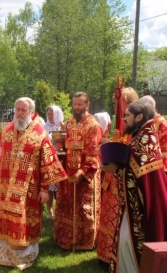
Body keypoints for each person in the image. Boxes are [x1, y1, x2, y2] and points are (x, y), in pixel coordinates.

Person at [103, 101, 167, 273]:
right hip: (133, 206)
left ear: (139, 117)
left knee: (128, 242)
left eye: (127, 115)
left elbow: (141, 177)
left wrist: (115, 168)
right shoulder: (141, 136)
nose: (124, 119)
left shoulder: (144, 139)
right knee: (124, 242)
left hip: (141, 210)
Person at [0, 97, 67, 270]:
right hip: (4, 188)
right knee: (2, 219)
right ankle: (1, 254)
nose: (20, 113)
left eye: (24, 110)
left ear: (31, 112)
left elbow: (48, 164)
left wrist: (45, 189)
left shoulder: (40, 134)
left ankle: (23, 256)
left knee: (25, 222)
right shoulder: (7, 131)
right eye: (17, 109)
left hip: (28, 190)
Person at [54, 92, 102, 251]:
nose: (76, 107)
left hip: (84, 175)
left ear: (87, 104)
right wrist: (59, 153)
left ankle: (85, 240)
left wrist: (81, 172)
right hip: (67, 173)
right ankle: (64, 237)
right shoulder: (68, 124)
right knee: (66, 204)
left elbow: (93, 152)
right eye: (74, 104)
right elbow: (62, 146)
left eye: (80, 104)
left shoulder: (93, 125)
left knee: (83, 207)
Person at [97, 86, 139, 268]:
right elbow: (108, 138)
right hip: (110, 177)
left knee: (118, 217)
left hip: (124, 177)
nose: (117, 104)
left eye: (120, 101)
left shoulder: (134, 125)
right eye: (116, 102)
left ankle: (115, 255)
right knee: (107, 214)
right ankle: (104, 254)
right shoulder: (115, 123)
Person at [139, 95, 167, 185]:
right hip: (146, 172)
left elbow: (166, 151)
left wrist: (162, 175)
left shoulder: (163, 123)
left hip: (159, 176)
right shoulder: (147, 123)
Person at [43, 104, 65, 219]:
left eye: (53, 113)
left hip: (61, 161)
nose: (50, 115)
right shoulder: (44, 126)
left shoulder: (63, 126)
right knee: (50, 187)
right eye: (49, 113)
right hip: (49, 160)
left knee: (61, 187)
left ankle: (61, 211)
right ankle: (50, 210)